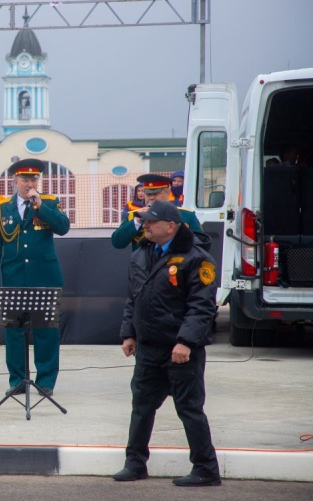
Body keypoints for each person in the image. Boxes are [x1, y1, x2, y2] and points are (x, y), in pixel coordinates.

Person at [113, 200, 221, 487]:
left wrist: (186, 342)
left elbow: (201, 307)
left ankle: (205, 469)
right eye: (145, 221)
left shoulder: (197, 258)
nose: (146, 225)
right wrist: (129, 333)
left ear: (171, 226)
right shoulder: (142, 255)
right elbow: (133, 298)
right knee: (142, 407)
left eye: (151, 221)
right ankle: (135, 463)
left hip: (180, 351)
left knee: (189, 409)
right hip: (149, 349)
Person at [0, 158, 70, 397]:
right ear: (15, 181)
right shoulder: (2, 208)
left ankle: (46, 381)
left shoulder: (50, 202)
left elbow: (63, 227)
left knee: (45, 331)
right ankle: (18, 380)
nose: (29, 183)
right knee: (14, 332)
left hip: (45, 277)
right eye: (24, 179)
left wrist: (40, 206)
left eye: (33, 179)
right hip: (13, 277)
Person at [112, 174, 203, 251]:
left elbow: (201, 244)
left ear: (168, 192)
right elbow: (118, 243)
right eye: (148, 194)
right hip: (144, 268)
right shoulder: (133, 215)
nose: (151, 198)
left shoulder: (186, 215)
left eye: (156, 194)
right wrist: (137, 221)